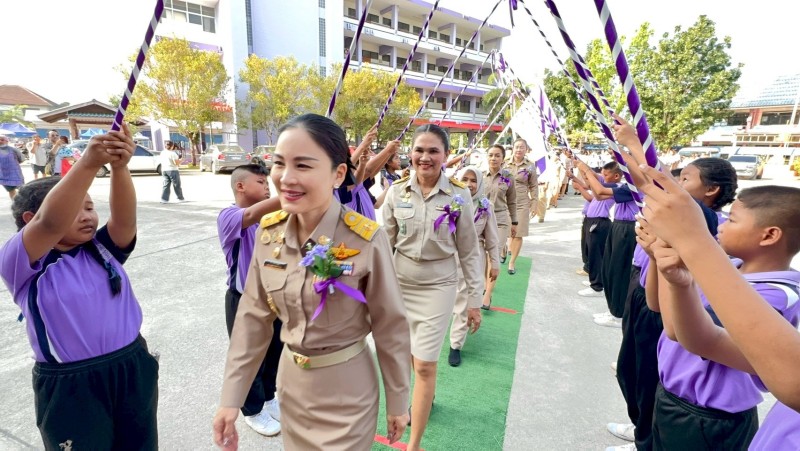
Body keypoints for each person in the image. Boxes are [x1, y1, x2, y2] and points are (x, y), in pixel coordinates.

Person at [213, 114, 411, 450]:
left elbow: (390, 325)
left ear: (338, 174)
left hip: (347, 391)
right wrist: (231, 398)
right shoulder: (269, 234)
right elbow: (252, 320)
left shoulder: (365, 239)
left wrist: (398, 401)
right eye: (279, 163)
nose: (286, 177)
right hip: (292, 388)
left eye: (303, 165)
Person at [0, 125, 159, 449]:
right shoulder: (21, 262)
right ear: (29, 219)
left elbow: (125, 220)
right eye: (75, 209)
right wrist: (87, 163)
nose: (87, 216)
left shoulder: (102, 249)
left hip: (132, 366)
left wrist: (119, 167)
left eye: (89, 207)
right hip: (72, 385)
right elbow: (50, 223)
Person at [638, 169, 800, 447]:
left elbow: (684, 333)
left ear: (769, 235)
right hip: (674, 396)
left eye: (732, 220)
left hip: (709, 417)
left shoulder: (775, 295)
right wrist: (658, 256)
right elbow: (657, 305)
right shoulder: (729, 268)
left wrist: (683, 246)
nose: (721, 226)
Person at [608, 150, 737, 450]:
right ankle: (642, 429)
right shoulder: (679, 212)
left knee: (648, 379)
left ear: (711, 189)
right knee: (632, 371)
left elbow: (650, 181)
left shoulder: (703, 223)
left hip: (672, 309)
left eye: (686, 178)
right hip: (649, 294)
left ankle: (643, 437)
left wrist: (632, 144)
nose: (677, 182)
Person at [383, 123, 484, 451]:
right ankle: (413, 405)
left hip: (438, 286)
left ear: (446, 155)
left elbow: (469, 250)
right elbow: (383, 244)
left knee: (425, 364)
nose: (425, 157)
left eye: (433, 151)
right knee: (401, 361)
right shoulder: (397, 191)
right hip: (399, 284)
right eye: (419, 150)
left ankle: (413, 445)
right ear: (410, 153)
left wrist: (474, 300)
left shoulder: (459, 194)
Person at [216, 164, 283, 437]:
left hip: (273, 298)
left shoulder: (272, 218)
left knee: (274, 352)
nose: (267, 187)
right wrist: (297, 190)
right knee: (249, 359)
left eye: (267, 182)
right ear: (240, 186)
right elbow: (252, 213)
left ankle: (268, 397)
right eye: (260, 182)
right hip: (244, 300)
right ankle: (252, 411)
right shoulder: (230, 216)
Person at [574, 158, 637, 327]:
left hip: (627, 228)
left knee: (620, 272)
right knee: (611, 269)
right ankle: (614, 309)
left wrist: (586, 171)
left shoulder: (633, 186)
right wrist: (584, 171)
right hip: (619, 225)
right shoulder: (626, 186)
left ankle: (618, 314)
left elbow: (599, 191)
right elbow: (598, 189)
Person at [448, 165, 500, 367]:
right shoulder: (451, 200)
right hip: (448, 256)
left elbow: (492, 238)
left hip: (473, 257)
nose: (469, 184)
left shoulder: (486, 206)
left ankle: (455, 345)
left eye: (473, 180)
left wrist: (495, 263)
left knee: (465, 300)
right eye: (465, 179)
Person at [574, 162, 619, 298]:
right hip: (592, 220)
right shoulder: (604, 184)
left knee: (597, 256)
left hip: (600, 222)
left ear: (616, 176)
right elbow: (591, 179)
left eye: (606, 174)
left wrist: (585, 171)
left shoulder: (613, 187)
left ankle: (597, 287)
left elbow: (593, 184)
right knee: (591, 254)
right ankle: (594, 280)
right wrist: (582, 168)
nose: (602, 176)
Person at [483, 144, 516, 308]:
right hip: (482, 219)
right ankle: (484, 285)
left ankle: (487, 295)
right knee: (483, 256)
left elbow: (512, 201)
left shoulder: (508, 177)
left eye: (497, 155)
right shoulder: (480, 175)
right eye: (491, 155)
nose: (493, 158)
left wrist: (514, 222)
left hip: (501, 220)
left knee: (494, 255)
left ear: (503, 158)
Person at [504, 138, 537, 275]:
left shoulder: (530, 166)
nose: (519, 149)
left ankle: (512, 262)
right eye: (516, 147)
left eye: (522, 147)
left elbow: (534, 186)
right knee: (504, 231)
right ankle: (503, 249)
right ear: (513, 148)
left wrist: (534, 203)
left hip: (522, 203)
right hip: (504, 202)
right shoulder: (504, 162)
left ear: (526, 149)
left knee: (518, 234)